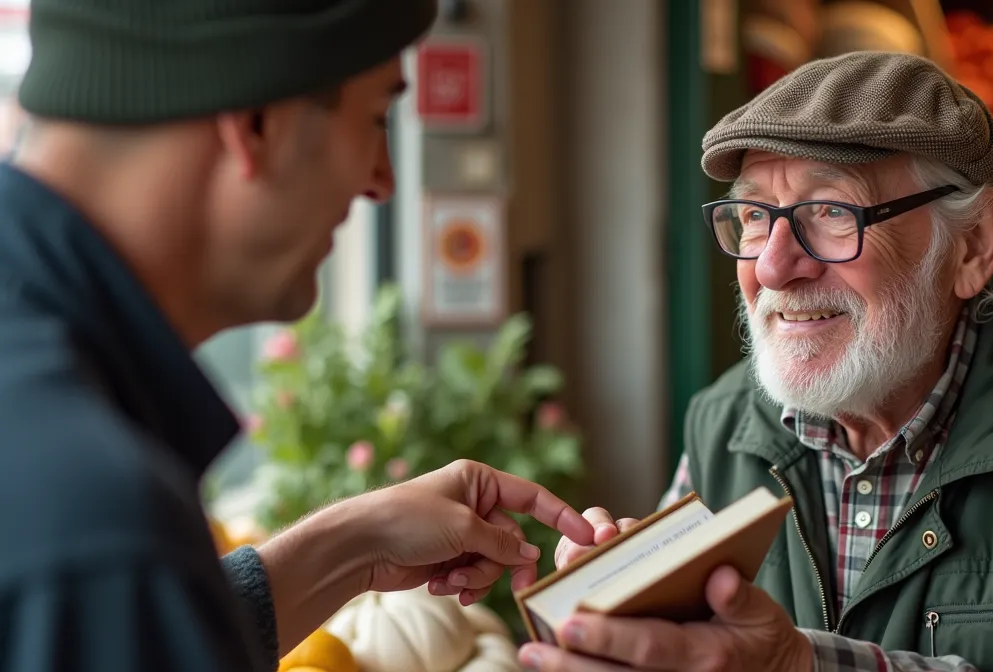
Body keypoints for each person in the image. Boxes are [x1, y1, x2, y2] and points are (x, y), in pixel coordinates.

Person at [531, 52, 993, 672]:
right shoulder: (723, 422)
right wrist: (631, 626)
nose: (774, 266)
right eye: (753, 216)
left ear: (972, 246)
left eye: (832, 212)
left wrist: (799, 665)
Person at [0, 1, 595, 670]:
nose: (383, 181)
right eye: (375, 121)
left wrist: (358, 545)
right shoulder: (98, 534)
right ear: (254, 122)